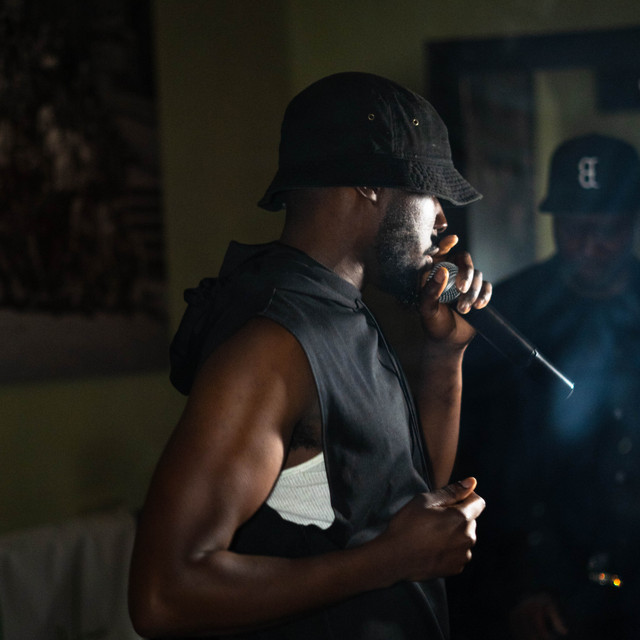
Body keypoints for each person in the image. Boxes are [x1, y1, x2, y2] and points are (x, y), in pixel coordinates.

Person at [128, 71, 492, 640]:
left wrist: (446, 356)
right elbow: (163, 595)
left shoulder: (340, 311)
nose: (442, 218)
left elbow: (404, 499)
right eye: (429, 192)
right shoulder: (274, 342)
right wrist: (388, 561)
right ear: (369, 182)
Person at [451, 133, 640, 640]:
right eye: (574, 229)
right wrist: (517, 585)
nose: (590, 246)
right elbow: (475, 459)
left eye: (608, 230)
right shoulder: (507, 315)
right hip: (531, 578)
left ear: (632, 222)